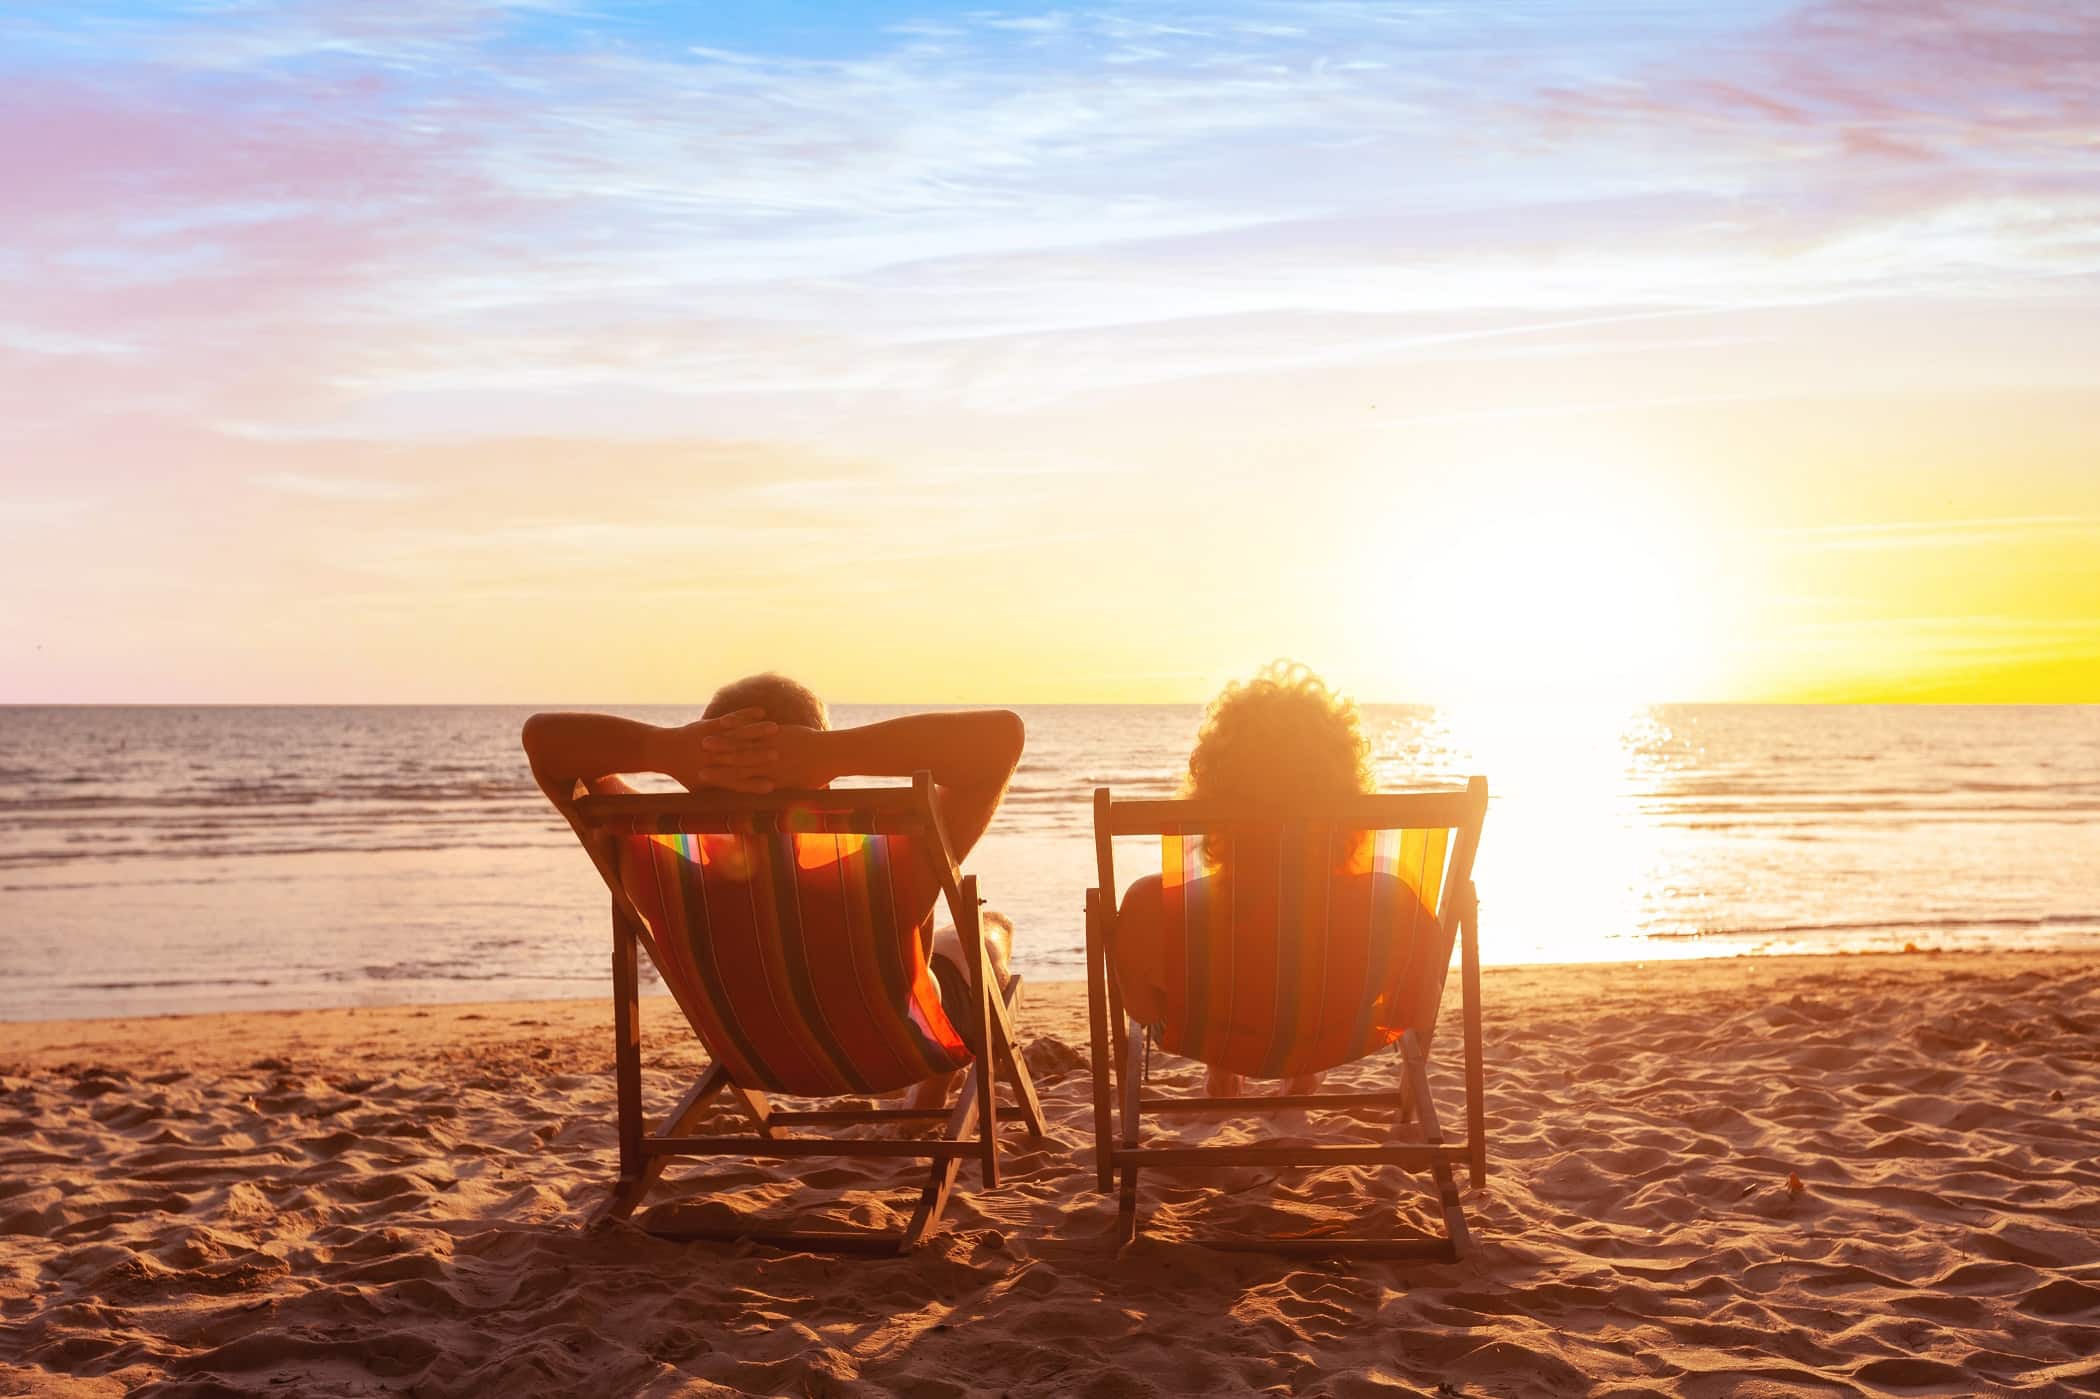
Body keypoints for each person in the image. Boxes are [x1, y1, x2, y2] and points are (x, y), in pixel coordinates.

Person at [521, 674, 1023, 1109]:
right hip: (904, 1053)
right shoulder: (894, 867)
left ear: (698, 780)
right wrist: (834, 754)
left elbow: (544, 740)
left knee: (939, 939)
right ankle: (930, 1096)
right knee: (987, 928)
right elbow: (1001, 737)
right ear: (820, 780)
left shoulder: (648, 861)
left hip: (753, 1059)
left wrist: (667, 751)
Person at [1111, 660, 1432, 1098]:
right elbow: (1415, 1003)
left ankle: (1223, 1061)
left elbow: (1142, 1008)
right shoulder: (1390, 901)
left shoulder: (1155, 904)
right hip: (1340, 1036)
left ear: (1212, 783)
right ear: (1346, 786)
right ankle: (1305, 1066)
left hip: (1205, 1034)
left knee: (1218, 964)